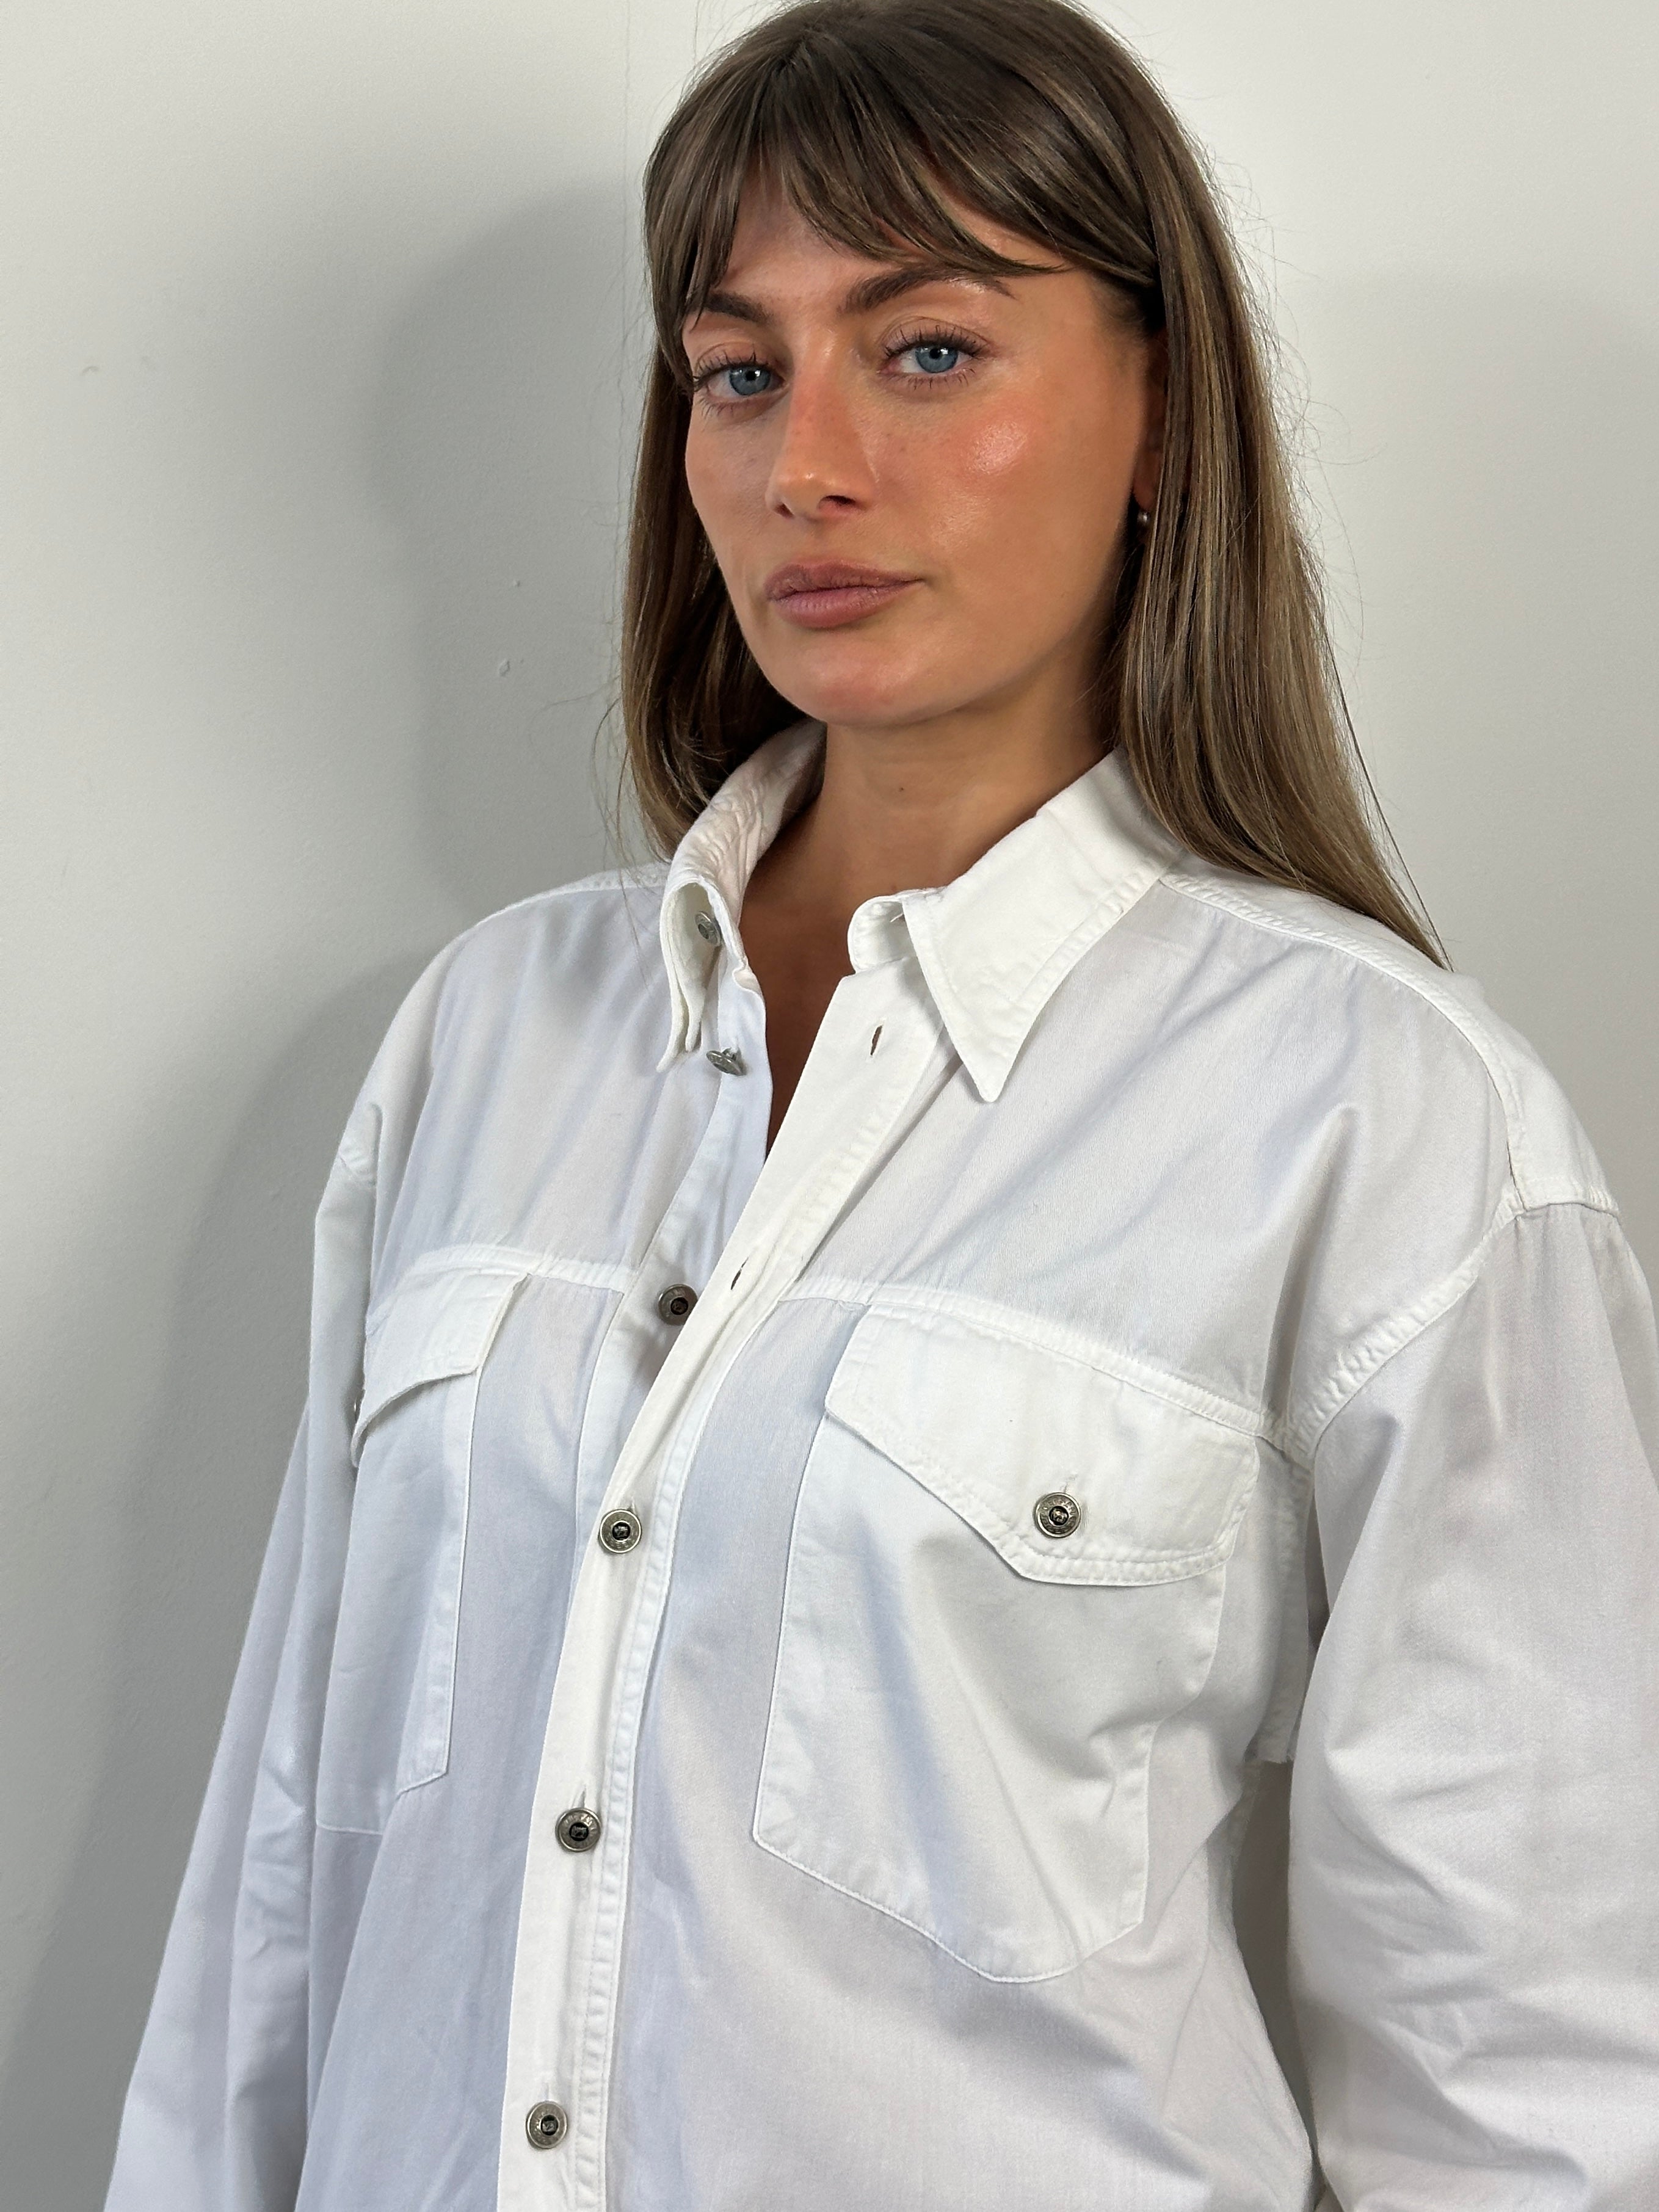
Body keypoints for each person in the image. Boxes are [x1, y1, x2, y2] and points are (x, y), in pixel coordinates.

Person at [105, 1, 1659, 2205]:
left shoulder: (1379, 1119)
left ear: (1161, 411)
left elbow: (1525, 2080)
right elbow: (288, 1873)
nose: (804, 466)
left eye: (927, 349)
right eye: (738, 371)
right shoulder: (491, 1036)